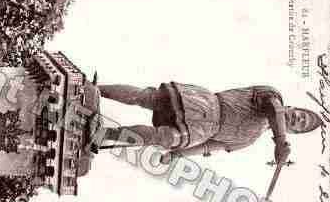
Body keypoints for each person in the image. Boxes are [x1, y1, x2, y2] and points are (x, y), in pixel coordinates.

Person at [95, 83, 322, 165]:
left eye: (301, 124)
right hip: (207, 103)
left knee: (165, 138)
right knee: (151, 99)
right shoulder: (273, 96)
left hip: (203, 132)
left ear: (295, 130)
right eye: (301, 114)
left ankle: (105, 133)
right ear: (292, 108)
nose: (298, 120)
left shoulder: (250, 139)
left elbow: (211, 146)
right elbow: (274, 111)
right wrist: (280, 141)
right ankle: (96, 90)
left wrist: (177, 156)